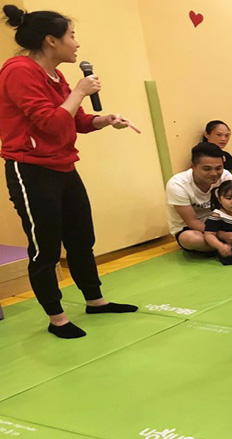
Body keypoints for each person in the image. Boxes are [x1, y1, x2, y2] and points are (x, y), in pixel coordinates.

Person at [0, 5, 139, 339]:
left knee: (81, 237)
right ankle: (56, 317)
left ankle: (95, 300)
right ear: (51, 40)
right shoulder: (18, 71)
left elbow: (73, 120)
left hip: (63, 166)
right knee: (45, 247)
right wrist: (79, 92)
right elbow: (49, 123)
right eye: (71, 36)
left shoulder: (56, 76)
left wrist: (104, 120)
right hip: (31, 169)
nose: (76, 44)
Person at [165, 142, 232, 253]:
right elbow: (192, 221)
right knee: (193, 239)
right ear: (193, 167)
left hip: (220, 222)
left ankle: (227, 248)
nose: (214, 173)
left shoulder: (226, 176)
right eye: (207, 169)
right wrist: (222, 235)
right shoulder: (177, 184)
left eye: (218, 168)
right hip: (192, 229)